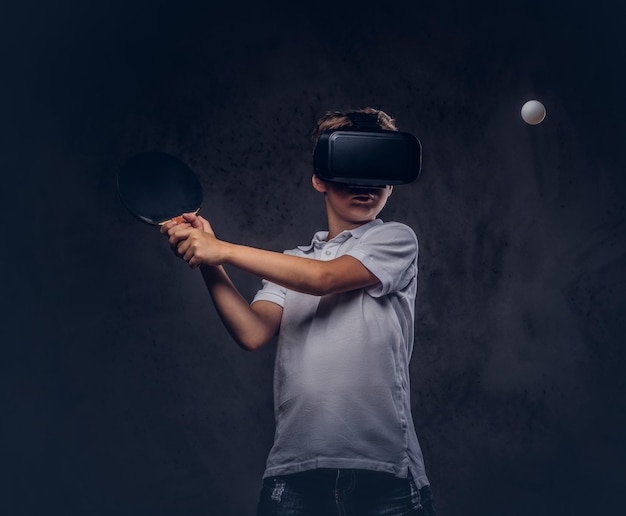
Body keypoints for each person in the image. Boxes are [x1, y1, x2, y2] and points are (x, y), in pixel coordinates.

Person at [161, 108, 435, 515]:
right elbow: (253, 332)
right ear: (319, 178)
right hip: (294, 475)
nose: (365, 185)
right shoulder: (291, 262)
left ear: (393, 184)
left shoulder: (394, 240)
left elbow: (324, 278)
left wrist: (225, 249)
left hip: (385, 472)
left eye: (378, 170)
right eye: (349, 168)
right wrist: (210, 259)